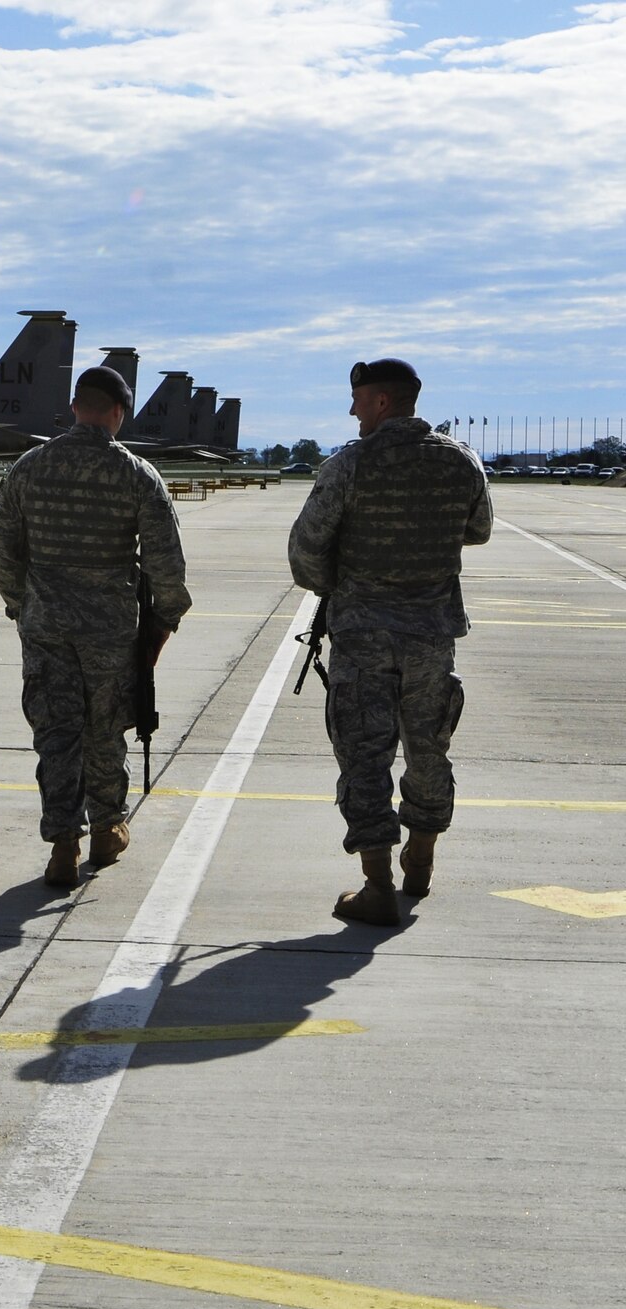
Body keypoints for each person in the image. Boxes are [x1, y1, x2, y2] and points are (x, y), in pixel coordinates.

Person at [288, 359, 493, 925]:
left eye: (357, 399)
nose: (352, 410)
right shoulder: (461, 461)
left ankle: (377, 884)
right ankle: (421, 854)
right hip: (432, 636)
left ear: (380, 401)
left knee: (363, 754)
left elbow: (305, 553)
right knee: (428, 746)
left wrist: (346, 583)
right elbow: (477, 529)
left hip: (363, 638)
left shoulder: (350, 465)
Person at [0, 365, 191, 888]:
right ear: (119, 413)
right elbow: (166, 566)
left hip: (47, 628)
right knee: (105, 732)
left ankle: (62, 846)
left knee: (56, 736)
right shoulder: (137, 474)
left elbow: (2, 552)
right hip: (110, 632)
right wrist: (158, 631)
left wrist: (24, 607)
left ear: (76, 407)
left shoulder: (28, 468)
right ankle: (106, 828)